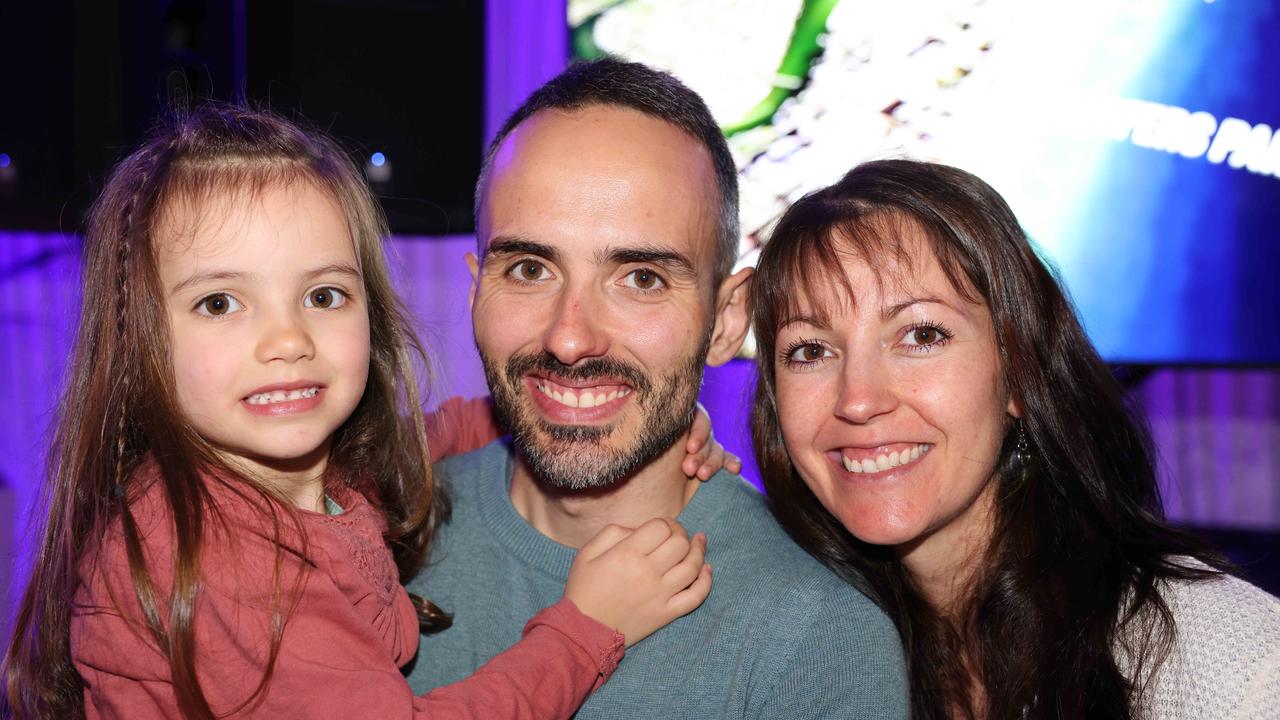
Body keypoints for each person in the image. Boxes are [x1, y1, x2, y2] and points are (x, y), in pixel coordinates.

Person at [0, 104, 719, 720]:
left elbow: (428, 439)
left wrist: (595, 415)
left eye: (324, 296)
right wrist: (586, 627)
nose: (288, 340)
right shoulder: (216, 551)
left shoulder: (313, 471)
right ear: (138, 340)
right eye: (220, 303)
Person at [403, 59, 908, 719]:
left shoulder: (819, 642)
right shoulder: (369, 538)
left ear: (726, 321)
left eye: (641, 278)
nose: (571, 338)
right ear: (476, 292)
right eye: (529, 268)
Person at [749, 158, 1280, 719]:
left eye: (922, 335)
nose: (857, 399)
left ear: (1019, 373)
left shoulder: (1224, 663)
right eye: (810, 350)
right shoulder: (804, 659)